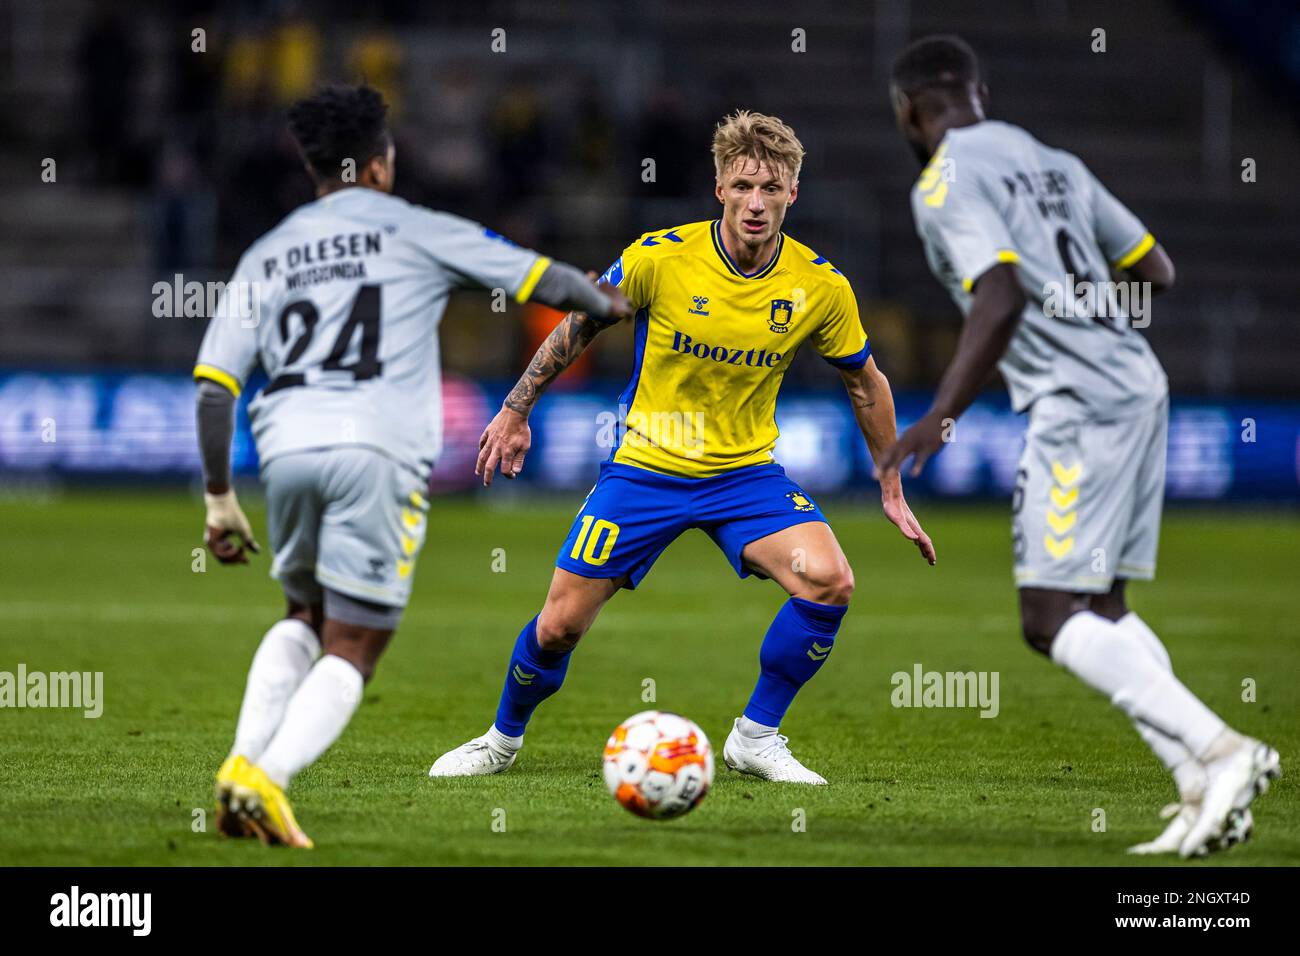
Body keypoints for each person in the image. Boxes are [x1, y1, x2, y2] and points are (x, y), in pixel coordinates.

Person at [429, 110, 934, 786]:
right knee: (557, 628)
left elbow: (864, 382)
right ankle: (500, 740)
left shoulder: (820, 287)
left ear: (794, 194)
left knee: (830, 581)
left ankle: (755, 737)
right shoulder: (659, 256)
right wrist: (516, 408)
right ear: (719, 187)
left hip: (745, 476)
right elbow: (581, 323)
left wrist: (890, 481)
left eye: (773, 188)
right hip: (646, 469)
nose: (757, 202)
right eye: (744, 185)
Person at [194, 83, 630, 847]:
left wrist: (218, 498)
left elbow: (213, 386)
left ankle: (239, 765)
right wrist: (608, 303)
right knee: (356, 641)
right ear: (378, 166)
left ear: (313, 168)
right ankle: (268, 778)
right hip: (375, 450)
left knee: (303, 614)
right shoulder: (413, 228)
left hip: (285, 445)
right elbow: (538, 278)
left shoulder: (272, 249)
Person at [878, 35, 1279, 857]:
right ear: (978, 91)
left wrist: (940, 416)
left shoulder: (945, 181)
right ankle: (1201, 786)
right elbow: (1156, 269)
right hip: (1139, 382)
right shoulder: (1052, 159)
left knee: (1048, 616)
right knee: (1103, 606)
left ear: (908, 113)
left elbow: (1000, 294)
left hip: (1079, 402)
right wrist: (1090, 307)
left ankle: (1225, 750)